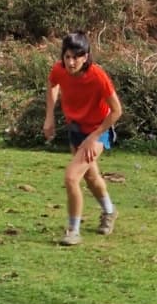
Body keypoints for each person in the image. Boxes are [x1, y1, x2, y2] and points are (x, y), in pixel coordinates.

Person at [43, 31, 122, 245]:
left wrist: (94, 137)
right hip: (76, 128)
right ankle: (109, 211)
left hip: (99, 129)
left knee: (71, 177)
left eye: (76, 57)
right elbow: (52, 85)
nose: (70, 62)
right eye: (67, 56)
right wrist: (49, 117)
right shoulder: (59, 70)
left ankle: (73, 231)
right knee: (90, 176)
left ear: (85, 56)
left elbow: (117, 111)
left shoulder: (98, 76)